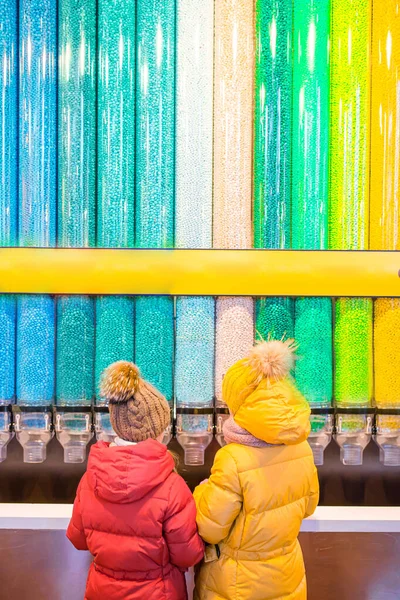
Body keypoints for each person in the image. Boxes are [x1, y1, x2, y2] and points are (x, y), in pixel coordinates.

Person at [193, 339, 319, 600]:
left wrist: (202, 493)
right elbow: (308, 507)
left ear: (241, 407)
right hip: (286, 579)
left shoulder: (233, 459)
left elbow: (209, 528)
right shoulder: (302, 449)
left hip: (236, 585)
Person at [67, 361, 204, 600]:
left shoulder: (90, 479)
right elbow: (188, 555)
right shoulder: (172, 487)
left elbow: (79, 539)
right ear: (158, 431)